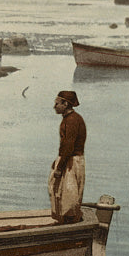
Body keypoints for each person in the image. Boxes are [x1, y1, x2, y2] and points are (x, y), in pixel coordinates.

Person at [49, 90, 86, 223]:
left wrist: (60, 167)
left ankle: (69, 222)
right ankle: (66, 220)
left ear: (65, 104)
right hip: (70, 159)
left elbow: (69, 146)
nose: (54, 106)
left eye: (57, 103)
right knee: (64, 192)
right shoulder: (71, 119)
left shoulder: (71, 121)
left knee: (68, 193)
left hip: (71, 161)